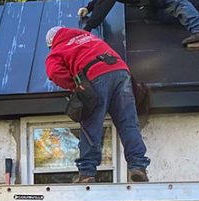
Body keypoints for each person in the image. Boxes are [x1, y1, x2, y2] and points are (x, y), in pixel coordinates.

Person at [45, 25, 150, 183]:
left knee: (91, 125)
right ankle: (138, 166)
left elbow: (54, 72)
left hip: (96, 75)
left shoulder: (58, 49)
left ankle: (87, 173)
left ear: (51, 43)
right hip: (121, 72)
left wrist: (75, 85)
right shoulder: (90, 38)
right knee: (128, 122)